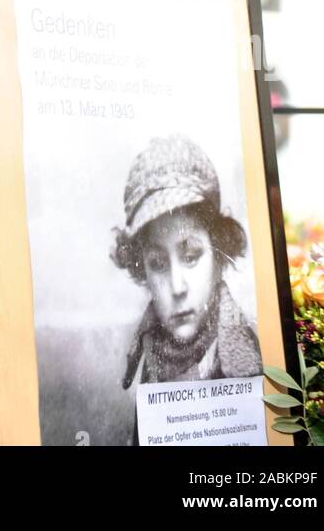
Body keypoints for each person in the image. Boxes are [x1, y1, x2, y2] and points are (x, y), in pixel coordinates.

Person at [111, 135, 262, 400]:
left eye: (191, 256)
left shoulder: (249, 359)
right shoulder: (151, 351)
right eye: (157, 264)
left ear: (218, 253)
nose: (177, 287)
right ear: (141, 269)